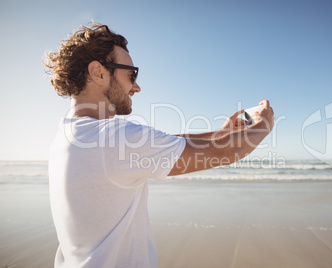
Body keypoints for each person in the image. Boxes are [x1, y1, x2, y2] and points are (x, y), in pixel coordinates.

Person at [45, 22, 274, 268]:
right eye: (131, 74)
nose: (136, 86)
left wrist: (220, 132)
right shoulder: (114, 138)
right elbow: (229, 151)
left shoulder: (70, 134)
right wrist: (263, 125)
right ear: (98, 73)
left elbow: (164, 143)